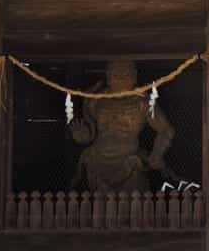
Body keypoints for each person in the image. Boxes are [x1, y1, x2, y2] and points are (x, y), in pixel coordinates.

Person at [70, 61, 175, 192]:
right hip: (97, 159)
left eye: (125, 73)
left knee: (133, 204)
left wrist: (157, 153)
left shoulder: (143, 102)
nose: (120, 77)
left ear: (135, 76)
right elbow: (89, 129)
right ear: (107, 76)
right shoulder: (96, 100)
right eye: (115, 73)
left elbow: (165, 129)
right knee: (99, 204)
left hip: (130, 160)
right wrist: (83, 137)